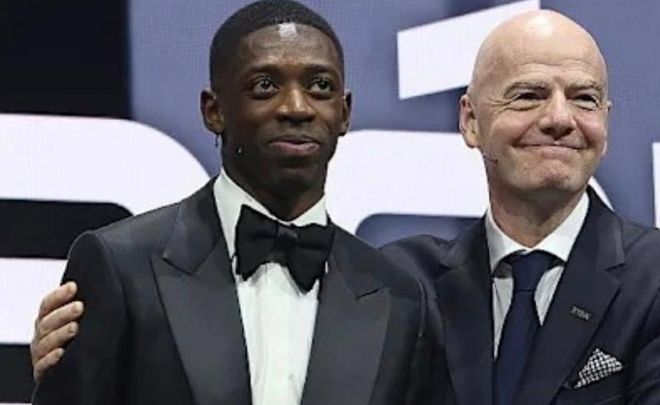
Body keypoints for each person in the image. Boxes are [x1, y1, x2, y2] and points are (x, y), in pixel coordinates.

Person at [31, 1, 435, 404]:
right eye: (265, 86)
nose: (297, 108)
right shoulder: (121, 266)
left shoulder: (398, 299)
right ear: (213, 111)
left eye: (320, 86)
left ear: (344, 113)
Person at [383, 9, 660, 405]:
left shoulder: (653, 278)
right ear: (471, 120)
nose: (560, 118)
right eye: (529, 95)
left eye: (584, 99)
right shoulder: (406, 285)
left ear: (605, 123)